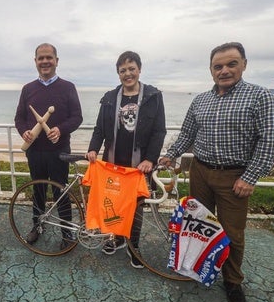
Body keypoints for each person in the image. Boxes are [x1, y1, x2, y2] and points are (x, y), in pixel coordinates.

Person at [159, 42, 274, 302]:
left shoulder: (261, 97)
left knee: (233, 233)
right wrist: (171, 154)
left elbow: (269, 142)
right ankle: (196, 267)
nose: (224, 70)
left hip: (234, 176)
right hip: (200, 171)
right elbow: (188, 134)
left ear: (244, 65)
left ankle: (233, 281)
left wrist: (250, 177)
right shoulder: (200, 100)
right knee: (197, 225)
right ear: (211, 70)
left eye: (231, 64)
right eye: (218, 66)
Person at [86, 51, 166, 267]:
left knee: (136, 206)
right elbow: (99, 128)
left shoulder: (153, 96)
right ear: (118, 73)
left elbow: (159, 131)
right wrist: (93, 148)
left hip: (139, 165)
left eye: (132, 69)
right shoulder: (110, 98)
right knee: (112, 203)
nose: (128, 74)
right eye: (123, 70)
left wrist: (150, 159)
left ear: (139, 69)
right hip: (112, 163)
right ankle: (116, 238)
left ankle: (134, 245)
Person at [14, 43, 83, 247]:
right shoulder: (28, 89)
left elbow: (77, 117)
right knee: (38, 189)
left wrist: (60, 129)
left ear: (56, 61)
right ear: (35, 61)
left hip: (59, 151)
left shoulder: (68, 87)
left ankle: (67, 232)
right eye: (40, 58)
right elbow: (19, 118)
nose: (45, 61)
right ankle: (37, 225)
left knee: (61, 190)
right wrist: (24, 131)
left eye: (49, 58)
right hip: (35, 151)